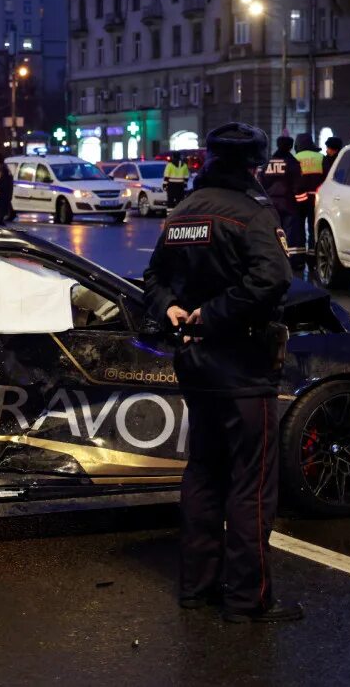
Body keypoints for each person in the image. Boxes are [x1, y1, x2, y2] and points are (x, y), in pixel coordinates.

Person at [143, 122, 298, 624]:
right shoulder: (252, 212)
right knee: (251, 485)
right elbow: (273, 279)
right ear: (253, 165)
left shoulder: (182, 212)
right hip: (244, 366)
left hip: (195, 365)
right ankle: (246, 601)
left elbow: (154, 276)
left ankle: (197, 588)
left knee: (204, 474)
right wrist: (213, 315)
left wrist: (170, 309)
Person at [259, 136, 304, 264]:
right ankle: (291, 261)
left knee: (273, 231)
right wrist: (301, 204)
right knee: (290, 232)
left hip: (271, 203)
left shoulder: (268, 163)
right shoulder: (292, 162)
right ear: (290, 147)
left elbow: (261, 183)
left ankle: (273, 259)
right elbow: (298, 185)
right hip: (288, 202)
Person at [293, 134, 325, 261]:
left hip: (299, 199)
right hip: (316, 198)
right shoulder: (321, 158)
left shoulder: (295, 158)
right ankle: (312, 255)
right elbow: (327, 178)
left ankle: (300, 254)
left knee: (299, 226)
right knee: (313, 227)